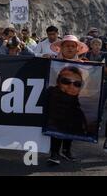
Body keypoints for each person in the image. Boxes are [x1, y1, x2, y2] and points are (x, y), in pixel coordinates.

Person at [45, 35, 89, 165]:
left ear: (77, 49)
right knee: (56, 124)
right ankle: (54, 153)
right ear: (61, 48)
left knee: (71, 124)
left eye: (72, 46)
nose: (70, 48)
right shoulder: (51, 61)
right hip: (56, 103)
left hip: (73, 105)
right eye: (67, 45)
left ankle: (66, 151)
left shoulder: (84, 65)